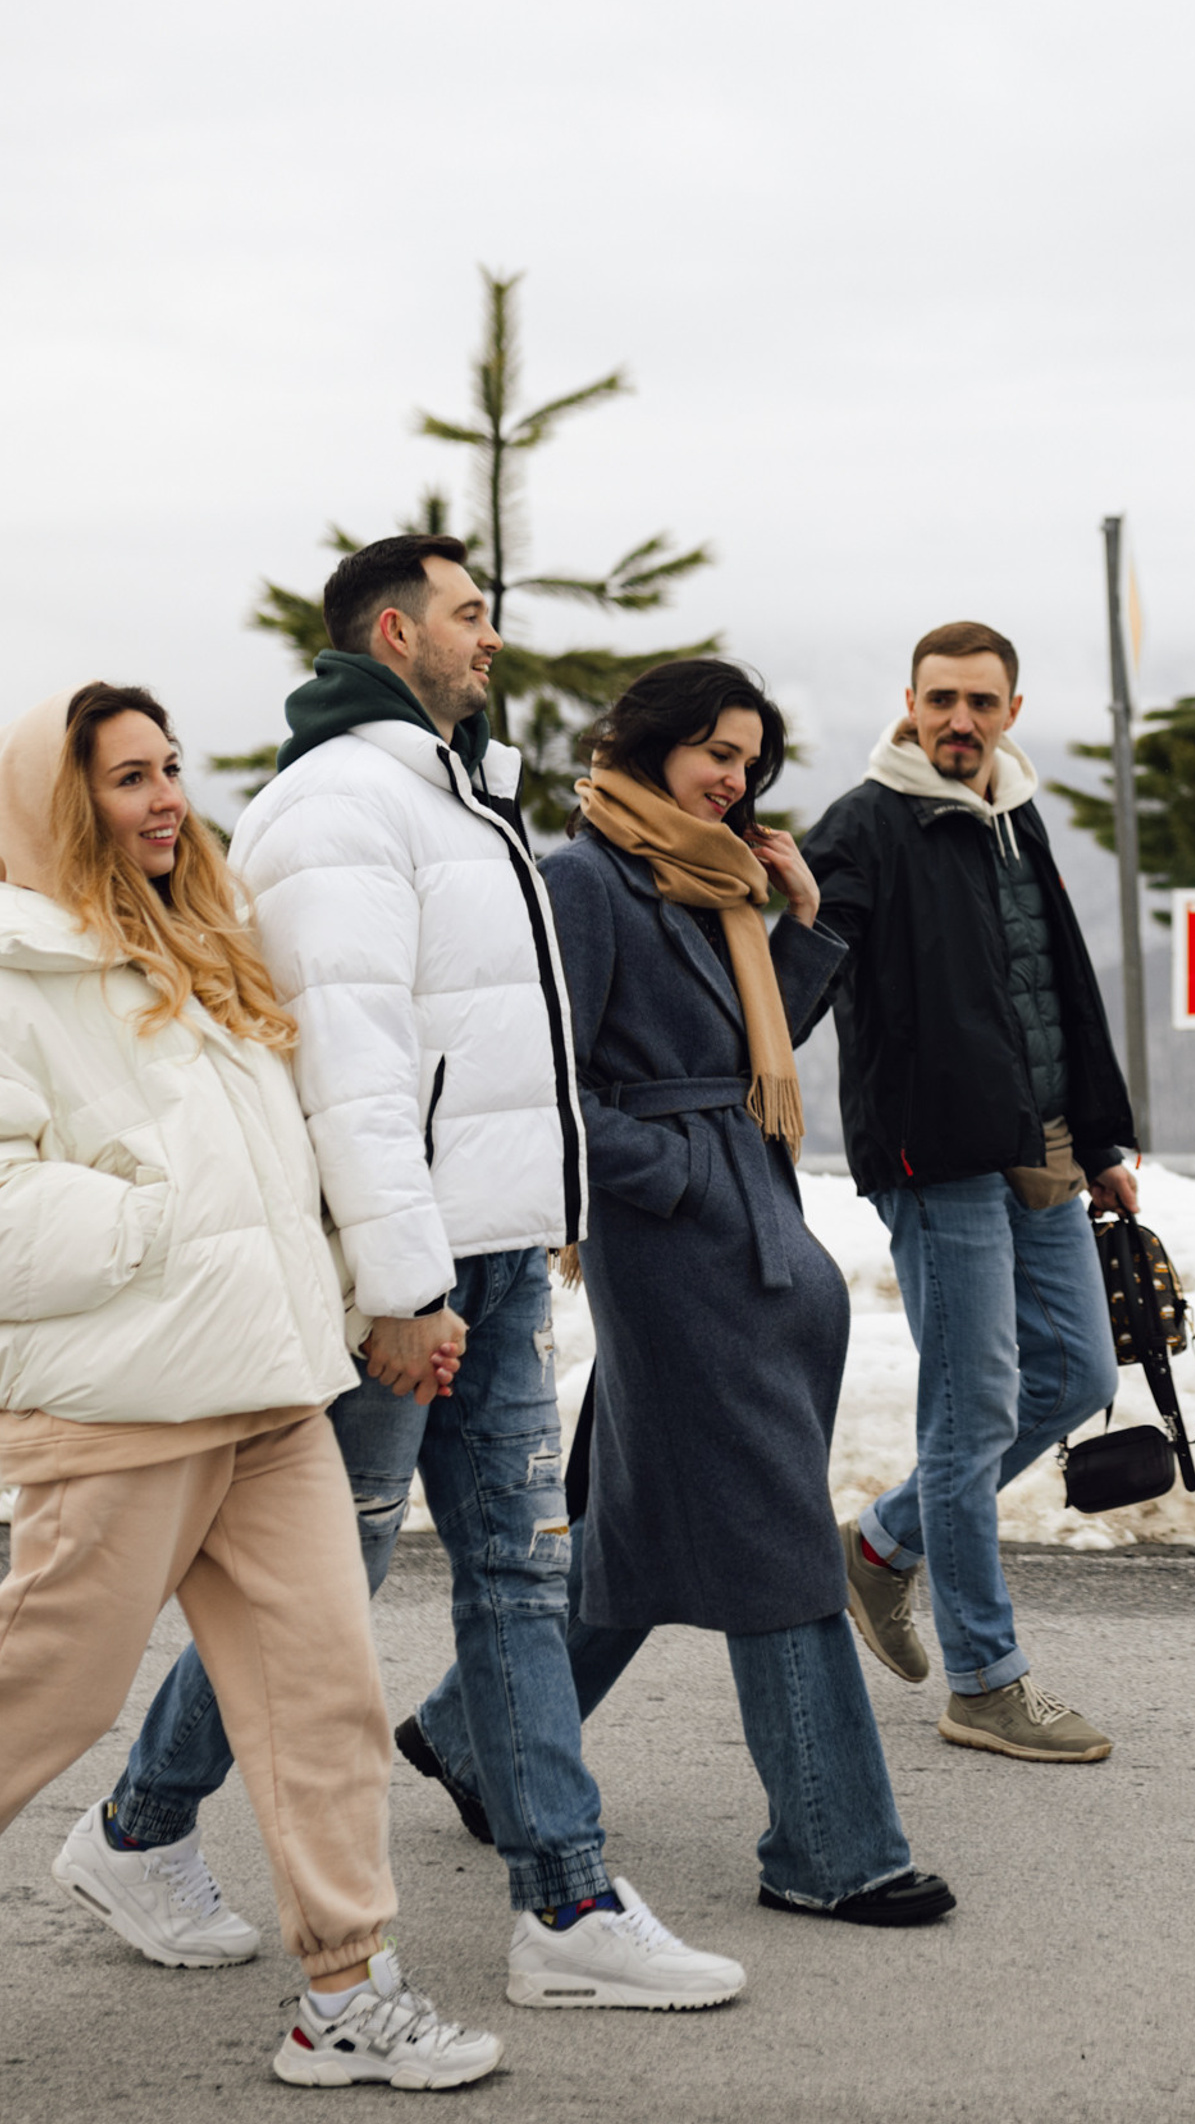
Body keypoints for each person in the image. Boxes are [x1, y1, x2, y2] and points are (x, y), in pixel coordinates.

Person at [93, 534, 742, 2012]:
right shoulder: (340, 807)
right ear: (395, 633)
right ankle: (137, 1828)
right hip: (416, 1266)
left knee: (519, 1568)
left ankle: (564, 1904)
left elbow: (491, 1049)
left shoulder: (450, 792)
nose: (491, 635)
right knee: (339, 1573)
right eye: (468, 614)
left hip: (491, 1253)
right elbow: (353, 1063)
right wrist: (402, 1284)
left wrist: (538, 1212)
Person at [0, 682, 502, 2089]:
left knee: (324, 1699)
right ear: (59, 802)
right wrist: (167, 1226)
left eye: (170, 769)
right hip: (126, 1409)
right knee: (44, 1693)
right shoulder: (14, 972)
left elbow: (281, 1172)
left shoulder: (197, 945)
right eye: (124, 779)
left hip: (273, 1397)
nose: (164, 800)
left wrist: (360, 1296)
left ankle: (347, 1993)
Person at [404, 659, 953, 1925]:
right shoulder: (586, 880)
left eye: (750, 758)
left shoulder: (711, 877)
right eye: (713, 750)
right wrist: (684, 1174)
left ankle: (469, 1738)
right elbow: (550, 1085)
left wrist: (800, 926)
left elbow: (731, 1055)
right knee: (772, 1539)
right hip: (683, 1251)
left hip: (750, 1233)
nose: (734, 776)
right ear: (649, 746)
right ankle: (832, 1847)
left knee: (652, 1531)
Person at [803, 622, 1135, 1763]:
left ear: (1011, 709)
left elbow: (1057, 984)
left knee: (1080, 1372)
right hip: (935, 1154)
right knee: (974, 1408)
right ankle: (986, 1680)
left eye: (979, 702)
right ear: (907, 701)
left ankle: (885, 1544)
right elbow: (807, 955)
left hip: (1035, 1141)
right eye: (940, 699)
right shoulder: (865, 823)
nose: (959, 720)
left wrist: (1101, 1137)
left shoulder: (1010, 811)